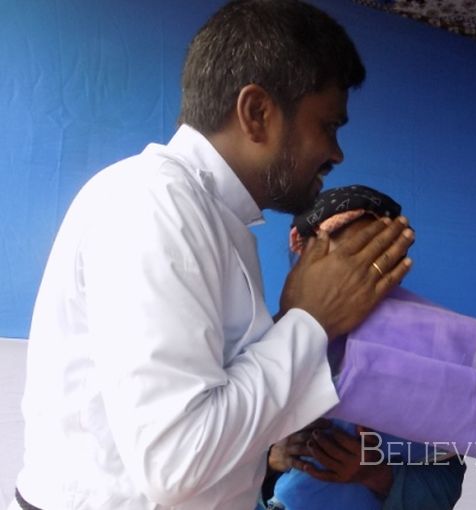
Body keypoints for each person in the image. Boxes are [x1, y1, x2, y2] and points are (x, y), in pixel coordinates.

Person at [12, 2, 414, 509]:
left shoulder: (208, 214)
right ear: (257, 113)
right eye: (329, 125)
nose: (337, 153)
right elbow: (178, 464)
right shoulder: (155, 205)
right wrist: (308, 320)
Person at [264, 184, 466, 509]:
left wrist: (373, 473)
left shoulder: (429, 358)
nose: (356, 274)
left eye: (375, 256)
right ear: (302, 260)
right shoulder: (261, 346)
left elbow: (447, 487)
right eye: (342, 256)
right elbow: (196, 463)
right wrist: (271, 459)